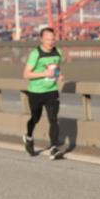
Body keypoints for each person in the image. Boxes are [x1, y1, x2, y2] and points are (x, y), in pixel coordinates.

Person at [22, 27, 64, 159]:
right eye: (48, 40)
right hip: (36, 92)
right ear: (42, 40)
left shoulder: (58, 52)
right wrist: (44, 74)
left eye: (52, 39)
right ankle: (28, 136)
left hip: (51, 91)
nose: (51, 42)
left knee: (53, 119)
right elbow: (26, 74)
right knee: (36, 118)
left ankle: (54, 148)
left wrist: (59, 75)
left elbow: (56, 68)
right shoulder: (36, 54)